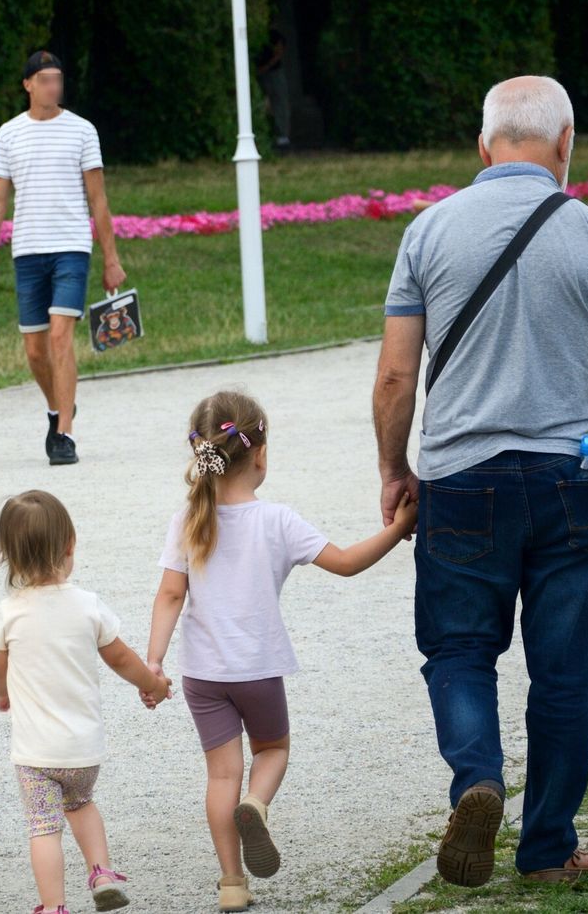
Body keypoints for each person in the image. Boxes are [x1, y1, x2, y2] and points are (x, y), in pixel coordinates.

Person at [373, 76, 588, 887]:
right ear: (566, 142)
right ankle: (547, 849)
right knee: (565, 671)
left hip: (462, 478)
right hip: (571, 481)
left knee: (459, 651)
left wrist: (397, 469)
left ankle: (478, 780)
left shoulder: (429, 232)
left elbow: (398, 377)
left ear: (482, 146)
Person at [144, 390, 417, 913]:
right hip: (258, 670)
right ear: (260, 454)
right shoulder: (278, 520)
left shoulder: (187, 519)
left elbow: (170, 594)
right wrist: (399, 527)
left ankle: (231, 883)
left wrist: (153, 662)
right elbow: (346, 563)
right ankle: (256, 804)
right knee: (272, 752)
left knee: (220, 773)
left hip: (203, 674)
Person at [0, 490, 173, 914]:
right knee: (81, 804)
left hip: (35, 754)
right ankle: (102, 872)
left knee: (43, 828)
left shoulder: (10, 613)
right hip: (83, 752)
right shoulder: (88, 606)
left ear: (10, 557)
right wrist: (154, 685)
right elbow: (122, 659)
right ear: (70, 546)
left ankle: (54, 906)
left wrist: (3, 693)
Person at [0, 50, 127, 466]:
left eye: (58, 79)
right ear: (28, 85)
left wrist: (111, 259)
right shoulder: (9, 134)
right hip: (28, 251)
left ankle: (64, 436)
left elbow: (99, 199)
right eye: (45, 80)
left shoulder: (82, 131)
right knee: (35, 350)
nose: (53, 87)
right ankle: (60, 407)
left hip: (71, 247)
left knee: (60, 336)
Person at [255, 29, 292, 152]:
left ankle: (282, 136)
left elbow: (278, 53)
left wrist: (265, 67)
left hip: (273, 72)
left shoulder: (275, 35)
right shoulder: (256, 34)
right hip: (261, 72)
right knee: (262, 104)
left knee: (280, 102)